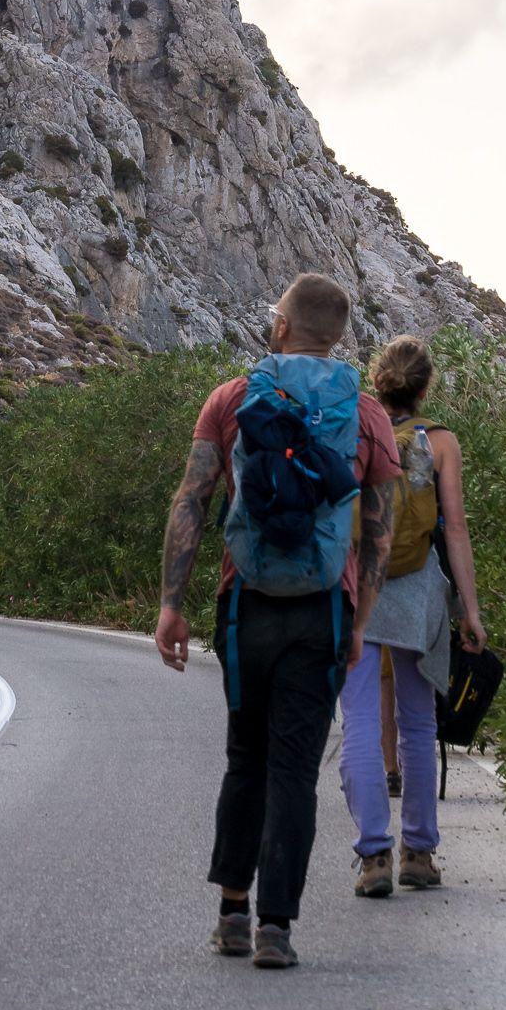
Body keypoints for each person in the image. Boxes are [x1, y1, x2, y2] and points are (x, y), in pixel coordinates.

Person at [155, 272, 400, 970]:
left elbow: (192, 499)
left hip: (245, 604)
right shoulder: (367, 413)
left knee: (245, 760)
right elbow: (378, 532)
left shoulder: (233, 398)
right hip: (322, 610)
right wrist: (358, 623)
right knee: (294, 770)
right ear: (340, 337)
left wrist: (171, 603)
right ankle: (276, 930)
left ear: (282, 326)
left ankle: (232, 913)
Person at [340, 334, 486, 896]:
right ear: (425, 389)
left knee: (359, 719)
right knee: (418, 723)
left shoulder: (356, 428)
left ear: (377, 383)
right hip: (418, 590)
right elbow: (454, 528)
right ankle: (419, 853)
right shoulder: (440, 442)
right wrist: (470, 610)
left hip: (359, 587)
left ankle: (373, 857)